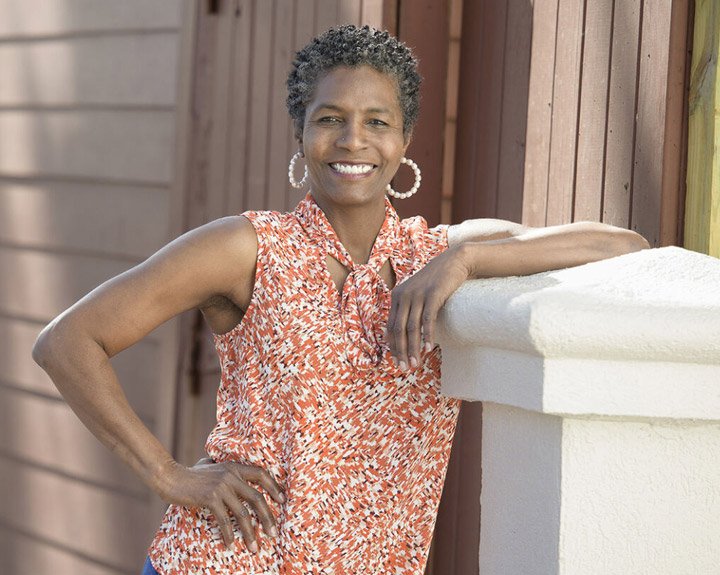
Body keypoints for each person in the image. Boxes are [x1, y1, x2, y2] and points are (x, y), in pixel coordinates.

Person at [32, 25, 649, 575]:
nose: (353, 140)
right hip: (224, 562)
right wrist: (167, 475)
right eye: (329, 118)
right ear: (301, 134)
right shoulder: (247, 248)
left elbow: (622, 245)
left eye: (377, 122)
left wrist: (466, 258)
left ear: (404, 141)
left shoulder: (433, 254)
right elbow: (66, 341)